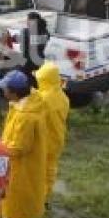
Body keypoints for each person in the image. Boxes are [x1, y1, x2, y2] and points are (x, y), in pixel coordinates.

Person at [0, 70, 47, 218]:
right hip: (29, 162)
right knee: (22, 198)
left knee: (17, 199)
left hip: (21, 165)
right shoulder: (31, 101)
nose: (3, 91)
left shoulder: (26, 116)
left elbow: (18, 148)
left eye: (5, 89)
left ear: (15, 92)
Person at [35, 62, 70, 200]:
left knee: (38, 170)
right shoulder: (63, 97)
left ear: (45, 80)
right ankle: (45, 197)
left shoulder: (42, 99)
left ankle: (38, 198)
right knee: (50, 169)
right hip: (58, 139)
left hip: (43, 141)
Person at [21, 12, 50, 78]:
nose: (26, 22)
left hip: (28, 61)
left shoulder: (27, 32)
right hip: (39, 60)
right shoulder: (45, 32)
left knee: (26, 80)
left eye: (27, 20)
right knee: (36, 80)